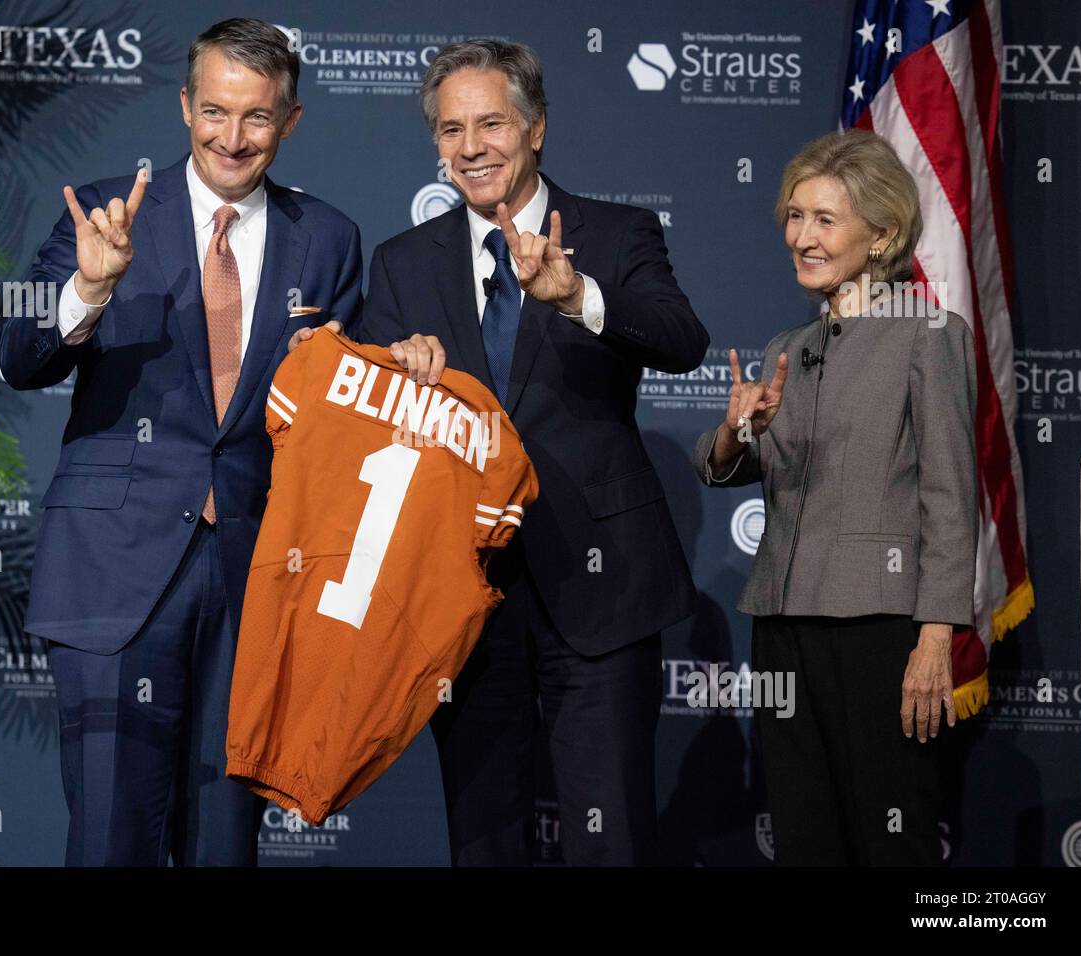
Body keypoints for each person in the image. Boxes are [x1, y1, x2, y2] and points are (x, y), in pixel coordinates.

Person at [0, 18, 362, 866]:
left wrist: (383, 366)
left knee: (225, 841)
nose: (232, 138)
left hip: (258, 571)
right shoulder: (106, 210)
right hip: (113, 568)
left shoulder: (330, 236)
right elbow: (19, 357)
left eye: (258, 118)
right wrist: (87, 287)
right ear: (184, 105)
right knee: (111, 837)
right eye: (215, 111)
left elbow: (344, 415)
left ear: (292, 120)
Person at [356, 39, 709, 866]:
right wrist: (392, 380)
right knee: (484, 837)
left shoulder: (618, 232)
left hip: (604, 585)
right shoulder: (402, 263)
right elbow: (375, 432)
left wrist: (578, 295)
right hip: (465, 594)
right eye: (450, 130)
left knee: (611, 834)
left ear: (536, 127)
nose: (470, 147)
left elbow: (682, 340)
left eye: (490, 123)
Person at [692, 129, 977, 865]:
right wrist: (736, 432)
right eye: (796, 216)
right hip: (783, 622)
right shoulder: (787, 345)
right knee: (803, 832)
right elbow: (735, 466)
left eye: (825, 219)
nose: (802, 237)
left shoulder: (928, 334)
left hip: (881, 628)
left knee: (890, 834)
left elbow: (951, 492)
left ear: (882, 234)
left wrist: (937, 635)